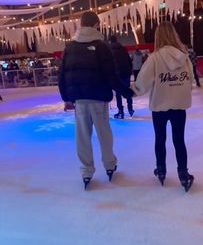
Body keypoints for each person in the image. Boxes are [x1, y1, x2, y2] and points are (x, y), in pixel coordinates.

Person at [58, 11, 133, 189]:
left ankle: (86, 170)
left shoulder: (70, 47)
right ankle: (109, 164)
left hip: (80, 101)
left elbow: (62, 74)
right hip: (99, 98)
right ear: (95, 25)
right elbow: (111, 75)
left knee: (82, 136)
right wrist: (126, 92)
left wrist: (66, 98)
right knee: (104, 134)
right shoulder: (101, 46)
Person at [131, 21, 194, 192]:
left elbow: (142, 82)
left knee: (160, 139)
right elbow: (190, 80)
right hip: (179, 106)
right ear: (174, 35)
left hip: (160, 106)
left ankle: (161, 169)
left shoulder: (155, 58)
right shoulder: (184, 57)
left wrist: (133, 90)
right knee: (179, 140)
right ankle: (183, 172)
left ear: (159, 37)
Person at [108, 35, 134, 119]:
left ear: (109, 41)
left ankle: (121, 111)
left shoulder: (109, 50)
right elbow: (129, 61)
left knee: (118, 93)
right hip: (126, 72)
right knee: (127, 90)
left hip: (116, 73)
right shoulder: (123, 49)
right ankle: (130, 108)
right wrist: (130, 71)